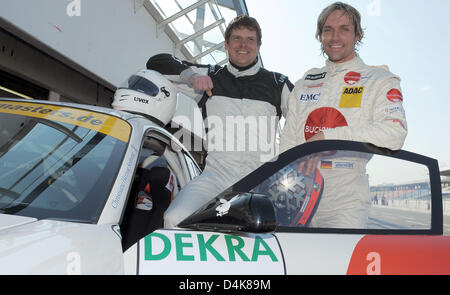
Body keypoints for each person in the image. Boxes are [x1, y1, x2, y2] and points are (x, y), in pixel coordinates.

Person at [147, 15, 294, 228]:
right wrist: (191, 77)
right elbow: (157, 62)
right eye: (237, 38)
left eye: (250, 39)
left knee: (276, 233)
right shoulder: (210, 76)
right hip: (215, 178)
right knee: (174, 219)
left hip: (262, 182)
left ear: (259, 46)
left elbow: (302, 125)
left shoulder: (278, 83)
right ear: (226, 45)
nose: (243, 45)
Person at [280, 2, 408, 228]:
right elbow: (288, 142)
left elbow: (394, 133)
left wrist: (326, 138)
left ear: (357, 35)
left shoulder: (379, 79)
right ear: (319, 35)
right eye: (328, 30)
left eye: (344, 29)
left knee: (339, 264)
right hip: (296, 195)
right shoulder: (304, 83)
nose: (334, 37)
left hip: (345, 201)